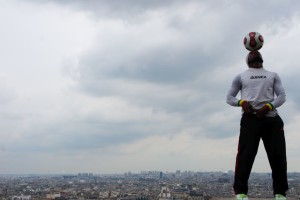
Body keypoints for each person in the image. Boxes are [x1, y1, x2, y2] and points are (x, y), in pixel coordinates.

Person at [226, 51, 288, 200]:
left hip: (270, 118)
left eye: (256, 52)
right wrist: (241, 102)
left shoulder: (273, 75)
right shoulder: (241, 76)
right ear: (248, 60)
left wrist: (268, 107)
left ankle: (280, 193)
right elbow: (229, 98)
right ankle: (240, 192)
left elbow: (282, 96)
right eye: (252, 53)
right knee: (245, 156)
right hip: (251, 118)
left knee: (278, 156)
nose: (254, 53)